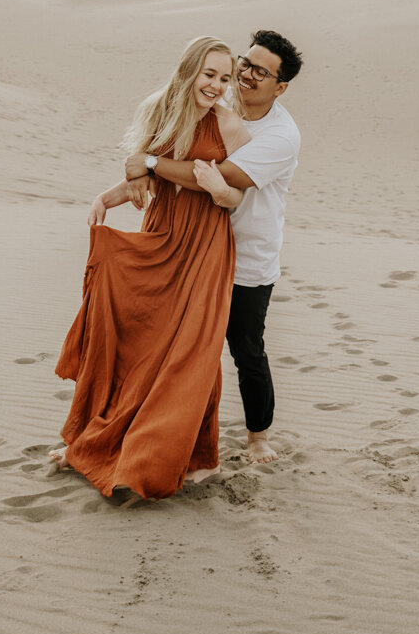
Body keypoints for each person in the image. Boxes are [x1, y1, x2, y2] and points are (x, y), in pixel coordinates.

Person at [51, 37, 250, 499]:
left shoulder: (231, 126)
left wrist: (191, 179)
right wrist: (109, 196)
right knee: (142, 340)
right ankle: (100, 438)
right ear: (189, 71)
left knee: (193, 348)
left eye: (224, 78)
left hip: (206, 243)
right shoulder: (160, 110)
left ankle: (198, 455)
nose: (217, 86)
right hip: (162, 233)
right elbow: (146, 173)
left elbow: (234, 194)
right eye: (209, 74)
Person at [125, 31, 302, 466]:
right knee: (176, 345)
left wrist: (146, 163)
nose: (246, 75)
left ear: (279, 87)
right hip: (196, 250)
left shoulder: (280, 136)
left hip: (247, 256)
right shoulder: (216, 100)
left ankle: (258, 437)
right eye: (246, 62)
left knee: (245, 349)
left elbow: (213, 175)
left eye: (262, 71)